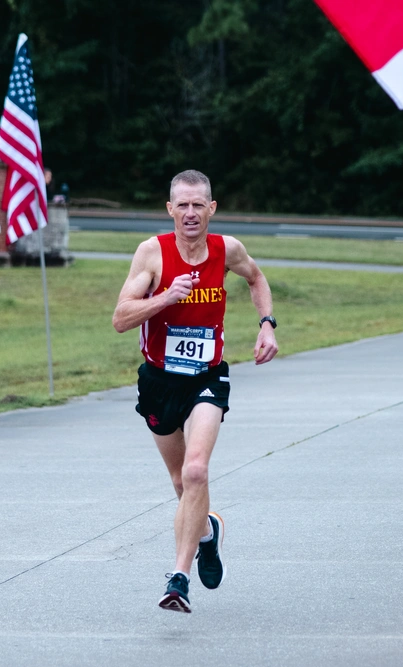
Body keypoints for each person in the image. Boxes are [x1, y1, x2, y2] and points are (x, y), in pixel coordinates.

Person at [112, 169, 278, 613]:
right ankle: (207, 533)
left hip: (207, 375)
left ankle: (178, 578)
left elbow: (256, 279)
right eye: (181, 205)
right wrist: (165, 298)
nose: (189, 213)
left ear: (211, 208)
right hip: (160, 380)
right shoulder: (152, 254)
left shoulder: (227, 249)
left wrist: (267, 325)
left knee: (196, 471)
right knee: (179, 482)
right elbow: (121, 318)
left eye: (197, 205)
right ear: (170, 209)